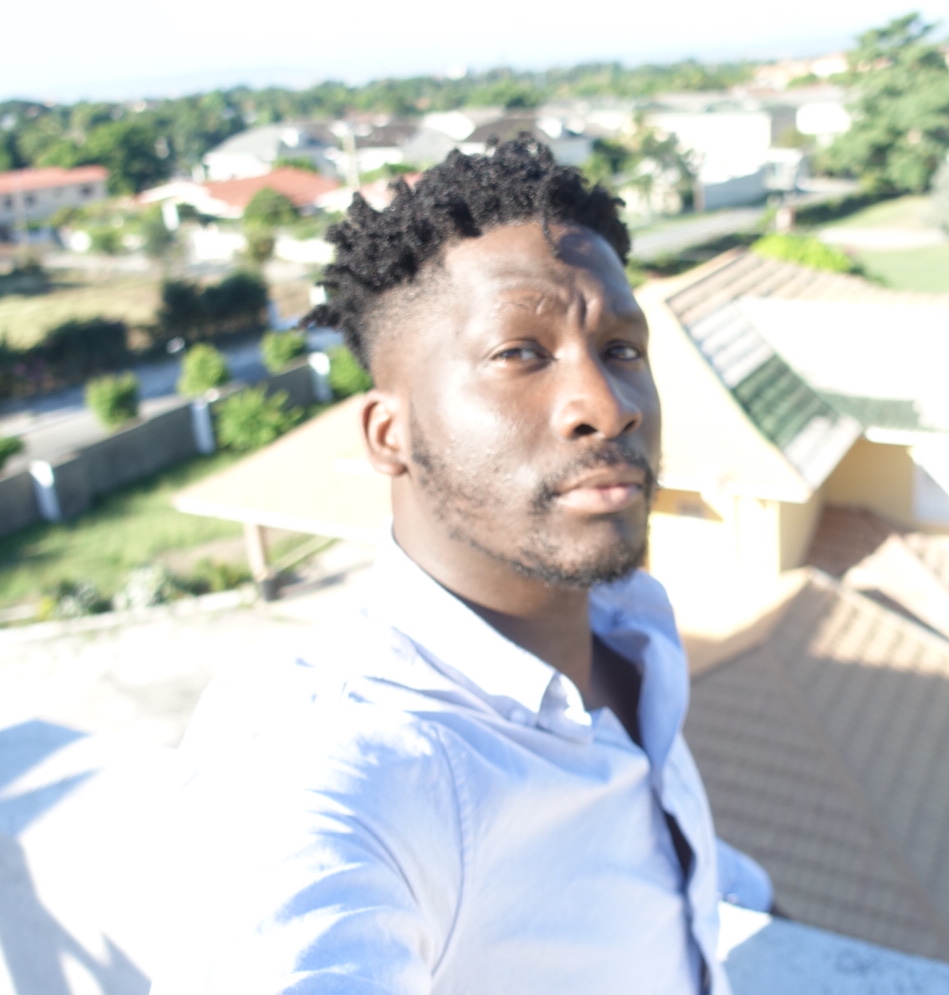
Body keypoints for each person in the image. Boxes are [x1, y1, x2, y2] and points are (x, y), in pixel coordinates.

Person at [149, 139, 768, 995]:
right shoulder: (335, 761)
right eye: (521, 352)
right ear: (386, 433)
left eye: (622, 348)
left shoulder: (629, 633)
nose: (610, 406)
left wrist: (740, 890)